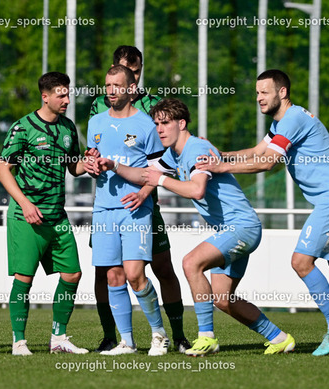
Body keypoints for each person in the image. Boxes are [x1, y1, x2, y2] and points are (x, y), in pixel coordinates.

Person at [197, 69, 329, 356]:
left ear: (282, 92)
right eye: (257, 93)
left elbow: (267, 163)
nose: (259, 98)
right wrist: (221, 155)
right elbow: (257, 151)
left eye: (265, 92)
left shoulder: (292, 119)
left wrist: (222, 167)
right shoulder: (281, 124)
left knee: (301, 262)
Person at [98, 98, 295, 355]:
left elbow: (197, 189)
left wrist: (161, 181)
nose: (159, 129)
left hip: (242, 227)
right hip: (231, 230)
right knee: (223, 300)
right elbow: (146, 175)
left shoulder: (197, 148)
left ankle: (206, 338)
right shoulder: (173, 154)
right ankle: (280, 338)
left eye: (165, 123)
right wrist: (114, 166)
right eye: (156, 124)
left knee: (191, 263)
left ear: (181, 124)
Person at [89, 46, 189, 353]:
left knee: (139, 272)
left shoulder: (148, 121)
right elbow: (92, 156)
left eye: (118, 85)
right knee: (112, 275)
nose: (111, 91)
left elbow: (162, 165)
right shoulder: (95, 119)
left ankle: (164, 334)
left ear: (132, 86)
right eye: (108, 85)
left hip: (137, 208)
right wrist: (90, 163)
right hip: (103, 208)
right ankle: (125, 341)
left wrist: (145, 191)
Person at [0, 71, 93, 356]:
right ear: (45, 96)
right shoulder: (23, 127)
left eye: (68, 94)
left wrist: (88, 163)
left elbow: (74, 167)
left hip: (56, 216)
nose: (67, 100)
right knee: (24, 278)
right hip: (26, 217)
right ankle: (19, 342)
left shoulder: (68, 128)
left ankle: (59, 338)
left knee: (73, 274)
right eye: (61, 95)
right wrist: (25, 204)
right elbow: (3, 170)